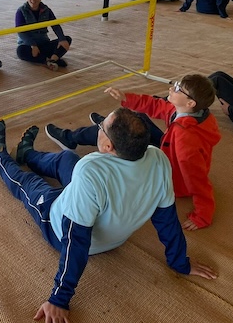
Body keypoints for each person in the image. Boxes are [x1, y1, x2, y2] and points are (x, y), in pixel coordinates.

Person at [0, 109, 217, 323]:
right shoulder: (158, 159)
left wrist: (59, 298)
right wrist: (179, 262)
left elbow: (76, 239)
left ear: (107, 145)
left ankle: (0, 155)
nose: (97, 128)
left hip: (57, 224)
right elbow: (166, 219)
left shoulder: (90, 170)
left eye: (100, 126)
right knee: (66, 159)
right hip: (107, 225)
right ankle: (28, 154)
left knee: (29, 183)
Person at [45, 75, 221, 230]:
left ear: (190, 103)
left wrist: (203, 214)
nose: (171, 88)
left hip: (168, 173)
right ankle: (108, 125)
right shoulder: (186, 113)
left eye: (177, 89)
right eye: (175, 84)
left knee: (117, 135)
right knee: (138, 118)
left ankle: (83, 134)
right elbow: (155, 105)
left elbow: (196, 177)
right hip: (169, 147)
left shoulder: (186, 140)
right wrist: (126, 98)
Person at [15, 0, 72, 70]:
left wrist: (62, 39)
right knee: (20, 52)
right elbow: (21, 32)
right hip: (28, 45)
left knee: (67, 39)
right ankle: (47, 61)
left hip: (44, 43)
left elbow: (55, 25)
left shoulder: (46, 10)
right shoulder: (21, 11)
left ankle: (52, 60)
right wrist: (33, 45)